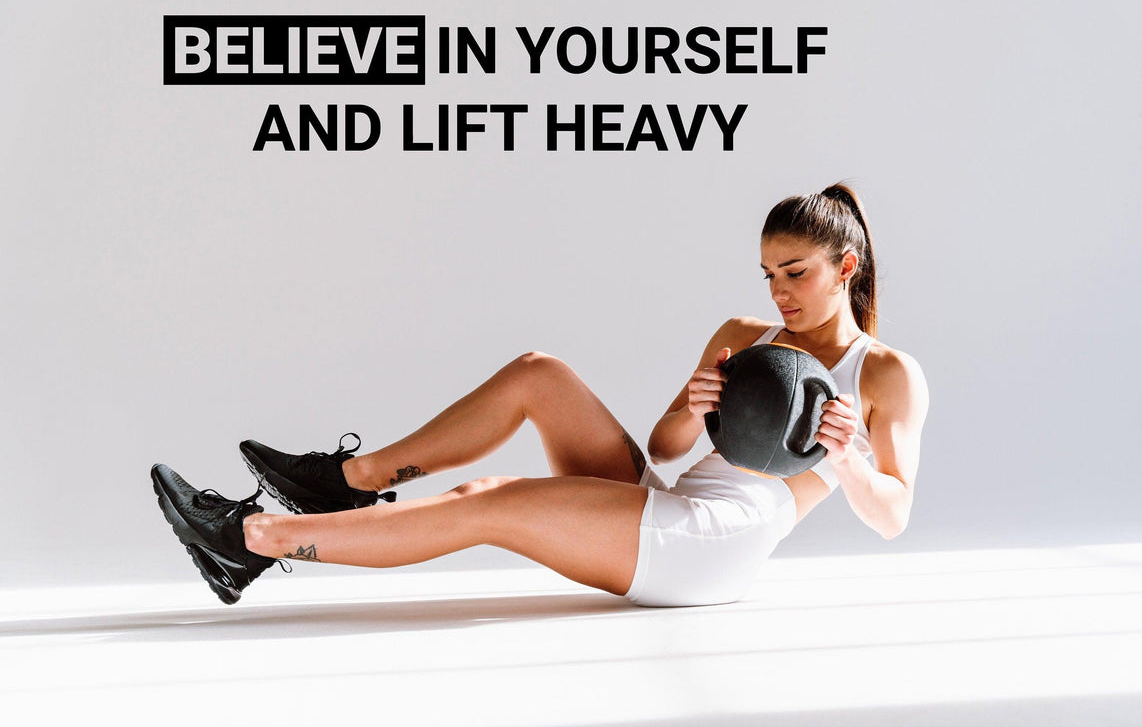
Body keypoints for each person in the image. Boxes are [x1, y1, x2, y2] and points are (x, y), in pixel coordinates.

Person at [151, 183, 929, 606]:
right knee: (539, 373)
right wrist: (693, 409)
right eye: (769, 273)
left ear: (846, 268)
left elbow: (892, 515)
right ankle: (343, 482)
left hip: (714, 544)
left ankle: (250, 543)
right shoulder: (746, 333)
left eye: (796, 274)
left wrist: (847, 457)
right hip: (673, 499)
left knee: (491, 500)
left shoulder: (885, 373)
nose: (779, 290)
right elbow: (664, 451)